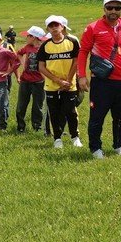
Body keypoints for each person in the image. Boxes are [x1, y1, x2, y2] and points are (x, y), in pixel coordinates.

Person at [78, 0, 121, 159]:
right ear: (104, 8)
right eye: (110, 8)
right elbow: (83, 52)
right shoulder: (93, 28)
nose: (113, 11)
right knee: (97, 116)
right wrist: (82, 76)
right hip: (101, 81)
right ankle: (95, 148)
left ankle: (119, 145)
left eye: (117, 8)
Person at [37, 15, 82, 149]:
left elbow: (76, 61)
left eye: (56, 25)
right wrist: (57, 80)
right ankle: (57, 138)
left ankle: (75, 136)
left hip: (70, 85)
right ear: (48, 29)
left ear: (62, 26)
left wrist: (68, 80)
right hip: (51, 85)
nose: (54, 28)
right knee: (54, 112)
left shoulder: (72, 41)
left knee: (70, 111)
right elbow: (41, 67)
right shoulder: (45, 45)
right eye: (51, 26)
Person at [16, 26, 49, 133]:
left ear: (34, 37)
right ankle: (21, 127)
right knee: (21, 105)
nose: (26, 37)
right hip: (25, 81)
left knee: (37, 106)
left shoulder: (44, 48)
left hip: (39, 82)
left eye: (28, 36)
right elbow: (19, 53)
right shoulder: (27, 47)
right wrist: (22, 64)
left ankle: (37, 127)